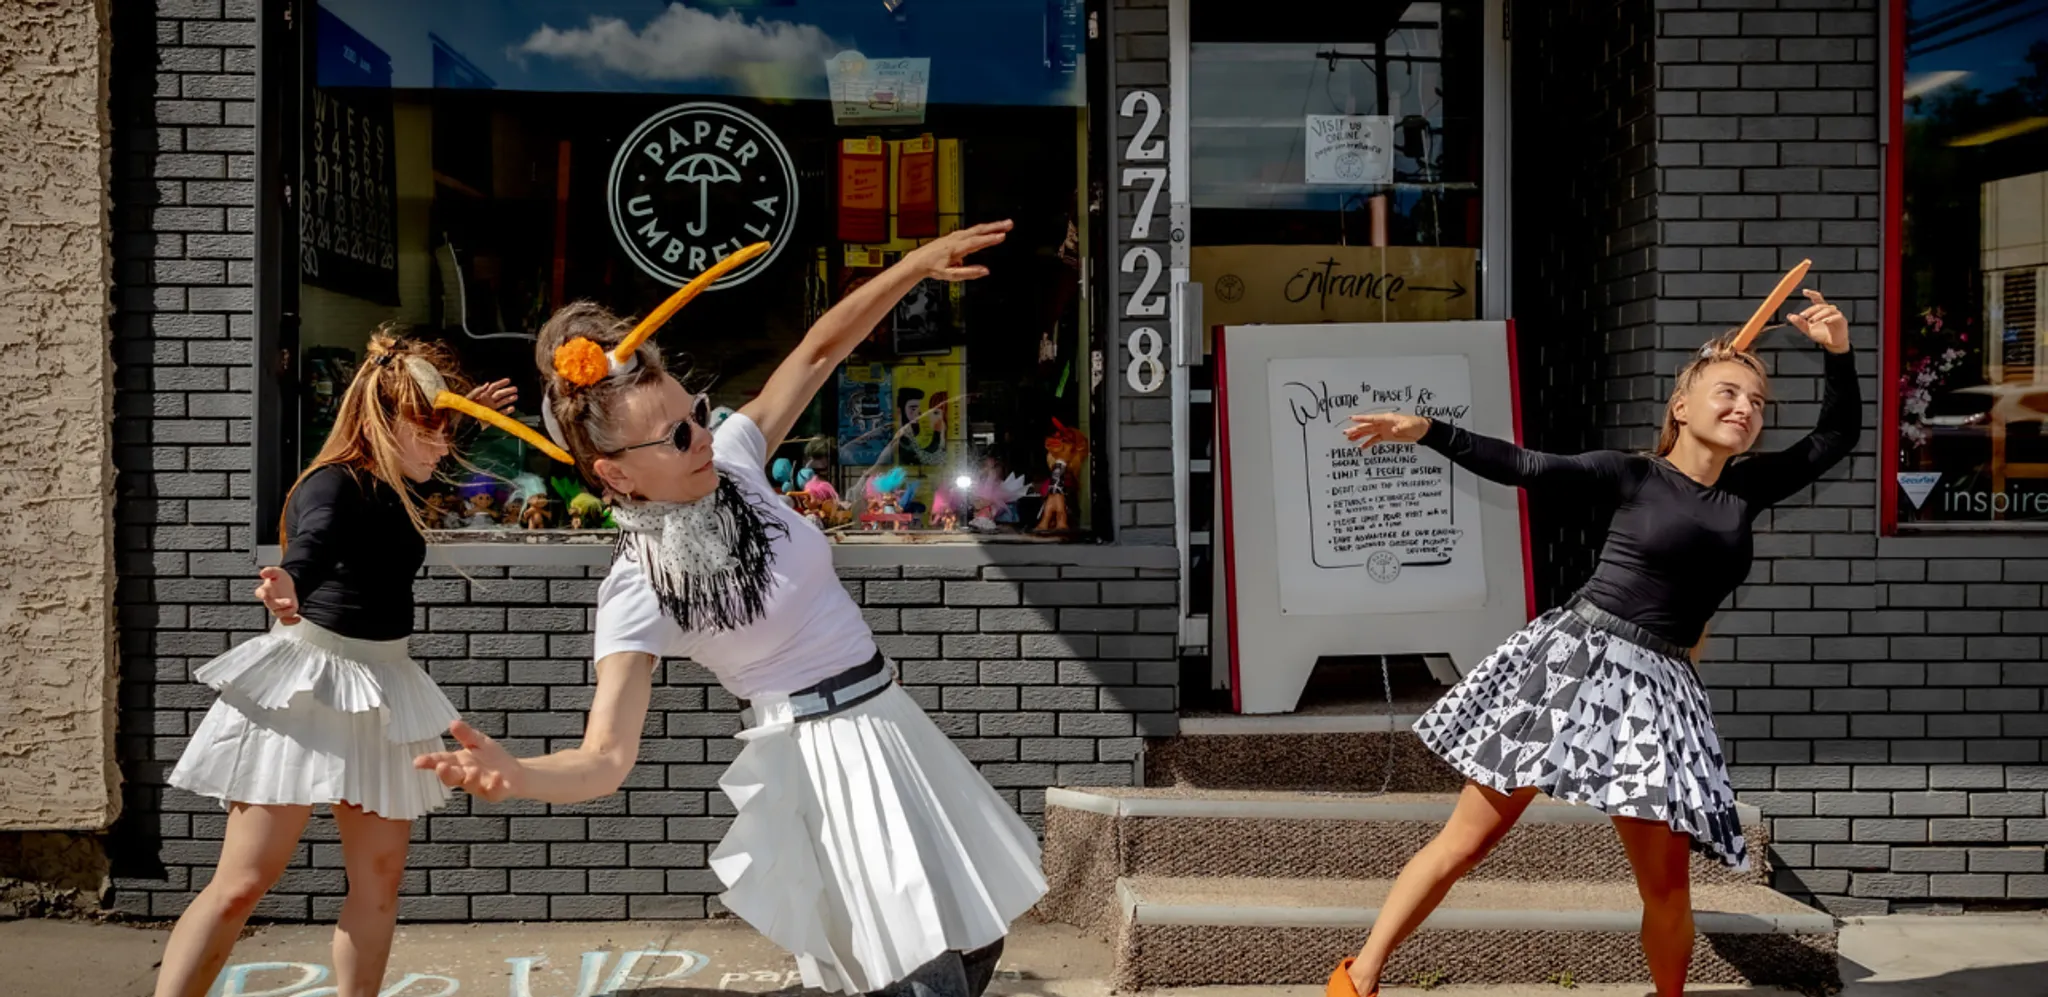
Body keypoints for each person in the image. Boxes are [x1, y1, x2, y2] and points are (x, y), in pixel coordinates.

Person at [415, 222, 1045, 997]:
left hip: (891, 721)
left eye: (699, 412)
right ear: (614, 474)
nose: (702, 436)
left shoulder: (736, 461)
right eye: (676, 436)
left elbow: (818, 351)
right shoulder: (639, 583)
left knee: (980, 939)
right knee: (926, 980)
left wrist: (911, 267)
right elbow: (606, 757)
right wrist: (518, 775)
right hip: (825, 765)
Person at [1330, 289, 1857, 997]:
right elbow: (1530, 466)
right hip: (1577, 662)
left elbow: (1834, 440)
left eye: (1758, 402)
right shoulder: (1634, 473)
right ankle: (1358, 978)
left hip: (1659, 690)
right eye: (1728, 392)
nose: (1745, 409)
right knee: (1468, 840)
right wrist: (1429, 429)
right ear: (1681, 407)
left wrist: (1839, 356)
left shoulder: (1747, 490)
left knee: (1667, 883)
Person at [154, 332, 565, 997]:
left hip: (385, 686)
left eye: (447, 425)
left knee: (379, 885)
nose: (443, 443)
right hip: (310, 684)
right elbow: (313, 540)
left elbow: (430, 448)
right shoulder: (334, 484)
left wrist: (460, 415)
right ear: (386, 421)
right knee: (241, 884)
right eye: (430, 427)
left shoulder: (399, 480)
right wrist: (289, 580)